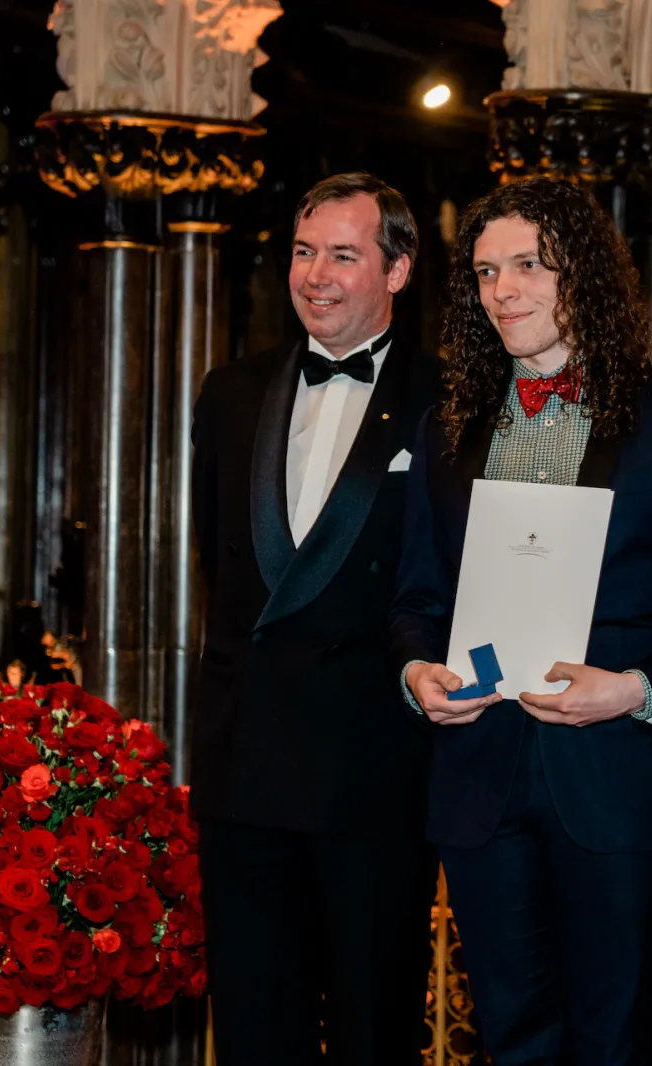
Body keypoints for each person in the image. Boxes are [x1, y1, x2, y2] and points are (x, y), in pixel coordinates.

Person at [390, 176, 652, 1063]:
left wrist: (636, 689)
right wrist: (416, 672)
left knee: (619, 1041)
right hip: (479, 779)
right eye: (485, 273)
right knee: (510, 1039)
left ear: (580, 273)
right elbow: (416, 600)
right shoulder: (448, 427)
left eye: (527, 266)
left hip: (621, 781)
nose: (502, 290)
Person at [189, 172, 441, 1065]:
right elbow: (221, 565)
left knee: (375, 1029)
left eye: (342, 254)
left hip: (373, 771)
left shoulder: (449, 397)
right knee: (255, 1029)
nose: (316, 275)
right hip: (246, 767)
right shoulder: (229, 393)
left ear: (397, 270)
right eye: (303, 252)